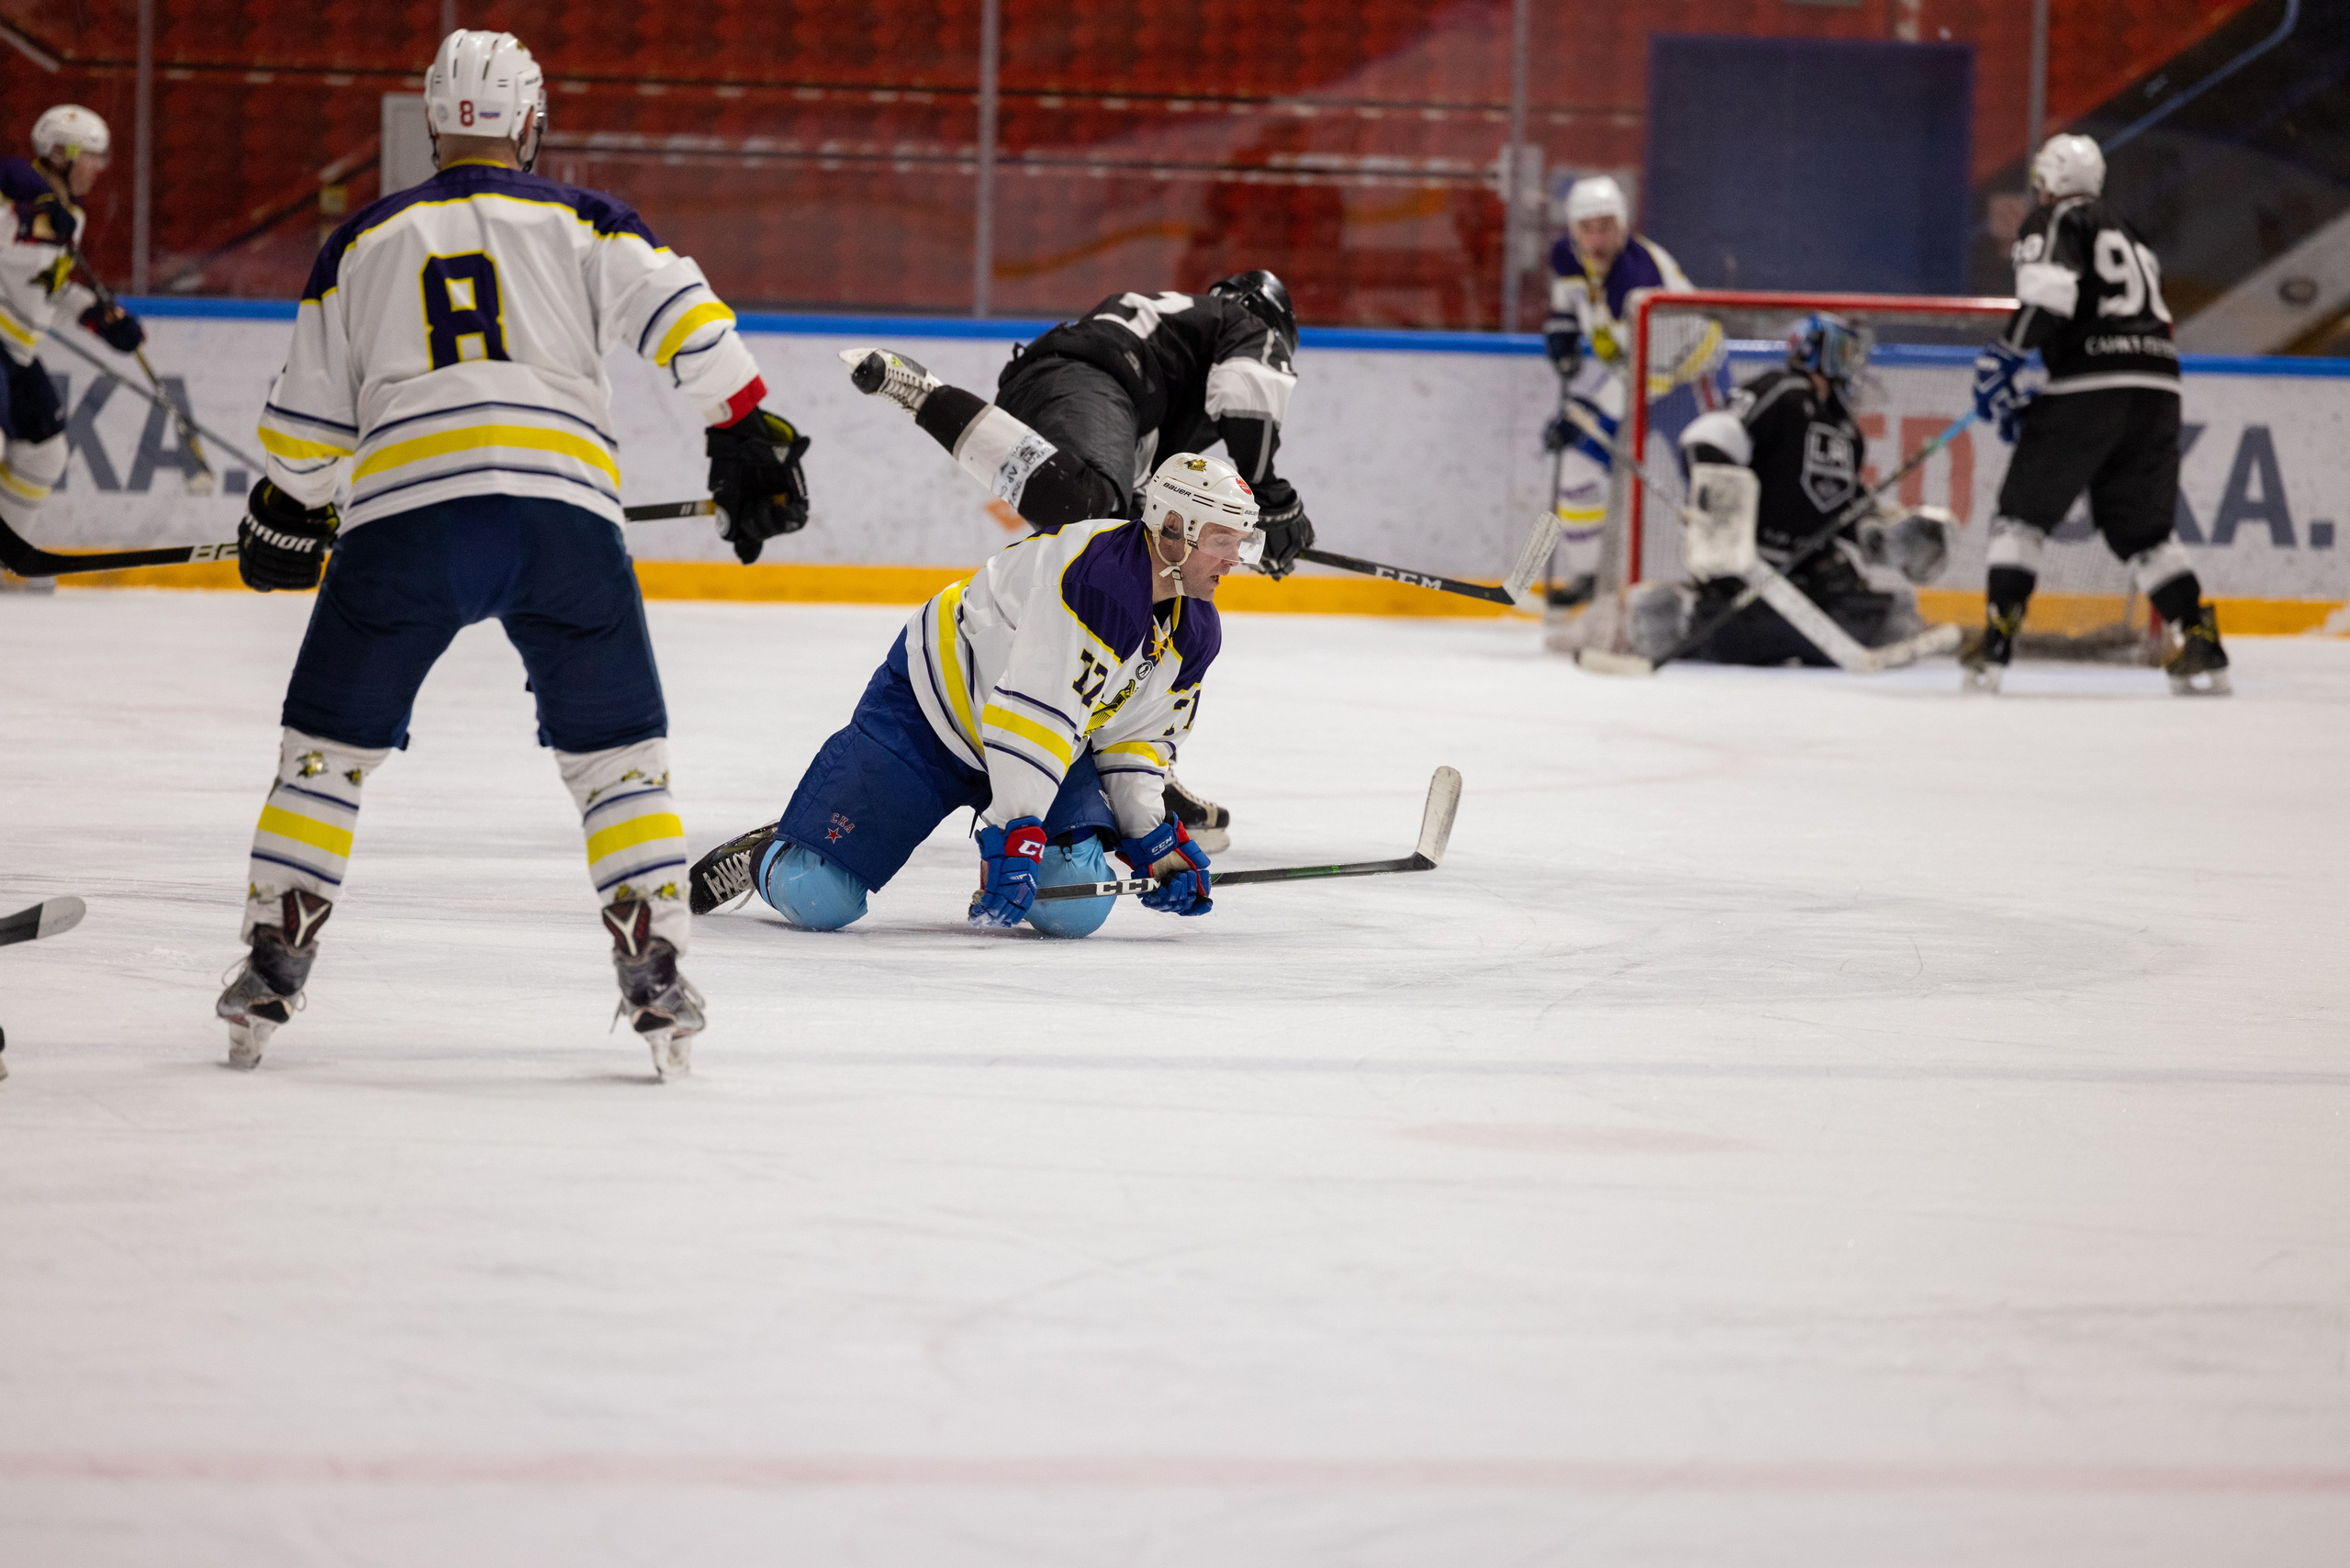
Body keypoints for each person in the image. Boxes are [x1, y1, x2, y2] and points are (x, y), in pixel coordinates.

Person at [215, 29, 811, 1077]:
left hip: (405, 524)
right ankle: (655, 967)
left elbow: (306, 438)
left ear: (432, 122)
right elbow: (692, 325)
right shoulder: (585, 220)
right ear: (532, 121)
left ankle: (273, 958)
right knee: (619, 763)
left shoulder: (359, 241)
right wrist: (744, 434)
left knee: (324, 755)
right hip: (561, 523)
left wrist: (285, 508)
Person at [688, 451, 1256, 941]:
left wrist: (1153, 841)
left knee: (1074, 908)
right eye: (1221, 540)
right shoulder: (1094, 581)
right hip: (931, 714)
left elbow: (1136, 741)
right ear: (1172, 528)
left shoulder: (1193, 629)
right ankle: (778, 850)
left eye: (1240, 541)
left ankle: (1001, 833)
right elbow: (1031, 718)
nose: (1234, 559)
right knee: (817, 894)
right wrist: (1015, 833)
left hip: (1041, 746)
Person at [837, 272, 1309, 851]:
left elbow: (1150, 526)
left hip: (1054, 393)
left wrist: (1229, 541)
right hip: (1090, 381)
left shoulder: (1181, 363)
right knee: (1099, 522)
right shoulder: (1245, 324)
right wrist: (1273, 499)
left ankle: (1129, 769)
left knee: (1125, 572)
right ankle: (931, 398)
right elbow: (1248, 392)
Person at [1966, 134, 2227, 696]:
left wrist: (2005, 356)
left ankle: (1996, 642)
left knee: (2020, 518)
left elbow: (2049, 302)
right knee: (2145, 534)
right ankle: (2200, 638)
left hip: (2092, 384)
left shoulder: (2055, 220)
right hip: (2158, 387)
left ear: (2051, 180)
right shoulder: (2131, 233)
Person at [1647, 313, 1950, 666]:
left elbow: (1841, 505)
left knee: (1868, 608)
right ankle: (1678, 619)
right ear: (1818, 351)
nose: (1854, 363)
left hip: (1810, 571)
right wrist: (1721, 517)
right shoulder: (1781, 391)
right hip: (1753, 567)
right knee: (1727, 631)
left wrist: (1883, 534)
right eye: (1846, 351)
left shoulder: (1848, 433)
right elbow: (1706, 438)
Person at [1539, 175, 1718, 598]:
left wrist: (1585, 412)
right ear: (1573, 230)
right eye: (1587, 228)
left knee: (1707, 483)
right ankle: (1590, 574)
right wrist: (1563, 325)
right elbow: (1572, 297)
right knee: (1578, 463)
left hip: (1690, 379)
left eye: (1606, 227)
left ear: (1622, 226)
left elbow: (1651, 373)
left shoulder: (1637, 281)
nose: (1597, 239)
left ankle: (1718, 581)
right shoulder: (1566, 256)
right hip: (1634, 374)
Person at [0, 106, 143, 558]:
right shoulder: (12, 200)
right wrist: (34, 197)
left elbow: (48, 291)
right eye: (93, 156)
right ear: (63, 154)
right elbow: (10, 172)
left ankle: (8, 559)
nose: (100, 167)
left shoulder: (71, 220)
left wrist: (99, 318)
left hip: (14, 353)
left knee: (44, 454)